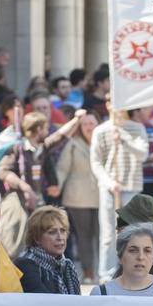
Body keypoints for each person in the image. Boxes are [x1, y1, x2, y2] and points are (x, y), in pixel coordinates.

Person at [91, 109, 149, 281]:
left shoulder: (137, 128)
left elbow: (143, 154)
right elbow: (96, 161)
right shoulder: (100, 130)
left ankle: (132, 272)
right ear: (108, 105)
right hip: (109, 188)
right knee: (109, 233)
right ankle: (106, 276)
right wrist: (108, 182)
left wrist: (123, 140)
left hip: (132, 186)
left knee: (132, 232)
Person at [55, 111, 101, 281]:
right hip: (77, 197)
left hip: (102, 196)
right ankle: (88, 272)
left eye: (92, 123)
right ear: (80, 127)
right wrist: (57, 186)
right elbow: (62, 168)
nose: (89, 127)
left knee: (102, 236)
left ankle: (102, 271)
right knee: (84, 236)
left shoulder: (105, 142)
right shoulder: (73, 144)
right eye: (85, 124)